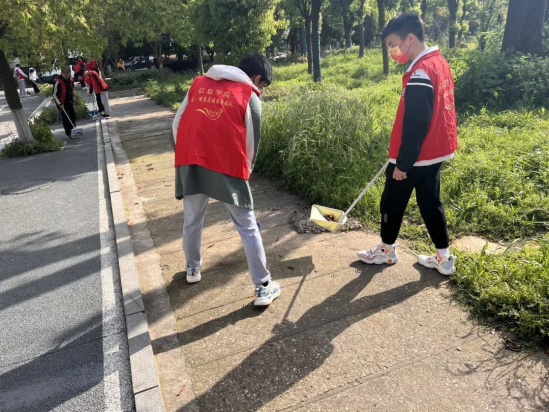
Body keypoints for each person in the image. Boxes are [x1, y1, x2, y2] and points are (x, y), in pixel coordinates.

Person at [171, 53, 280, 307]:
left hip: (192, 162)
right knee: (247, 226)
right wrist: (246, 171)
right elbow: (251, 142)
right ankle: (263, 287)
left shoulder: (198, 84)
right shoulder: (248, 94)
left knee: (191, 220)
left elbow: (177, 123)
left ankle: (192, 269)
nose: (261, 89)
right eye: (263, 84)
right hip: (228, 167)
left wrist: (187, 153)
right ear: (256, 78)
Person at [357, 13, 458, 276]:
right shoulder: (439, 62)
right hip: (435, 152)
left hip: (415, 156)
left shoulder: (420, 72)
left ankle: (386, 250)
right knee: (430, 203)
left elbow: (416, 123)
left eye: (393, 44)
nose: (393, 50)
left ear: (409, 38)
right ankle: (444, 257)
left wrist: (402, 164)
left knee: (391, 203)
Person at [53, 67, 78, 139]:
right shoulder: (58, 81)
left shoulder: (70, 80)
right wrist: (60, 104)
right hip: (62, 103)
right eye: (64, 73)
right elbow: (54, 94)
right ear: (61, 73)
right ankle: (68, 133)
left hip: (69, 101)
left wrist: (73, 97)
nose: (66, 75)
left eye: (67, 73)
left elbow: (72, 90)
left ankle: (72, 129)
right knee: (66, 118)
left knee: (73, 115)